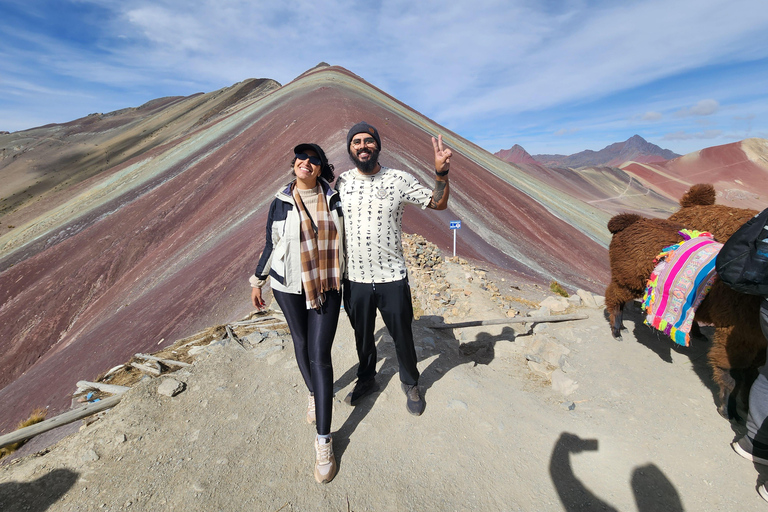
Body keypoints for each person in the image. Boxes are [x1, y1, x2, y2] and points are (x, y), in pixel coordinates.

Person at [335, 121, 452, 416]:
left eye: (368, 140)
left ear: (378, 145)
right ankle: (367, 380)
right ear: (350, 149)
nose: (363, 146)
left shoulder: (398, 179)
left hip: (392, 276)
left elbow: (437, 202)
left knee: (402, 334)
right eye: (356, 142)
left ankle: (411, 382)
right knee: (362, 336)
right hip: (355, 278)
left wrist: (441, 172)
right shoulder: (342, 183)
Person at [250, 143, 344, 484]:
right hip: (287, 284)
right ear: (294, 165)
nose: (307, 163)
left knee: (320, 354)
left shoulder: (335, 199)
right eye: (301, 158)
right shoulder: (280, 201)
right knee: (301, 341)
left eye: (314, 160)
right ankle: (313, 393)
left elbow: (348, 240)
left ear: (320, 168)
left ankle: (324, 441)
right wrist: (257, 280)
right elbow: (270, 243)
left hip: (327, 285)